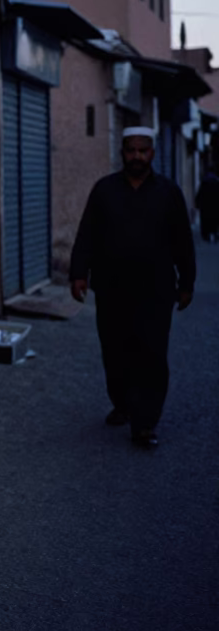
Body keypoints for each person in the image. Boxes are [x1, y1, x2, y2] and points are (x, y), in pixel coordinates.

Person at [69, 126, 195, 448]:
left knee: (152, 354)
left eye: (143, 150)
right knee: (115, 352)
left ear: (152, 153)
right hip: (112, 290)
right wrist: (78, 274)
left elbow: (183, 239)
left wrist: (187, 282)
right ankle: (123, 403)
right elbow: (87, 234)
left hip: (156, 290)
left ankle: (145, 423)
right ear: (122, 152)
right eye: (131, 150)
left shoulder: (168, 192)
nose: (137, 156)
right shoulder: (104, 190)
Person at [195, 164, 219, 242]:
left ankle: (206, 236)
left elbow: (200, 193)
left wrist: (197, 204)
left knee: (206, 222)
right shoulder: (216, 182)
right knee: (215, 221)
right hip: (215, 206)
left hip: (205, 206)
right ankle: (214, 234)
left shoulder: (204, 182)